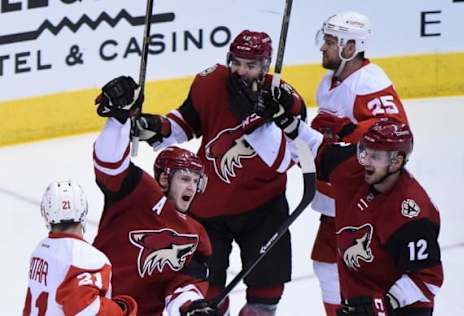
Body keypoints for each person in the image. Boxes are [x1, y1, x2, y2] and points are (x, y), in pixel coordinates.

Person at [100, 30, 307, 315]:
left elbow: (288, 159)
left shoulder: (285, 100)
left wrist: (265, 122)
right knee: (205, 295)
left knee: (265, 296)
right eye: (236, 62)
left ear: (266, 65)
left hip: (264, 210)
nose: (241, 70)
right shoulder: (210, 82)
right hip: (209, 208)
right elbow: (186, 122)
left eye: (251, 65)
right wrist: (155, 126)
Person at [265, 113, 443, 315]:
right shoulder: (352, 168)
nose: (366, 160)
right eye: (364, 151)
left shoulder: (410, 212)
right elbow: (317, 148)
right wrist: (287, 120)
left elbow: (427, 278)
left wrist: (383, 304)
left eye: (375, 156)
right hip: (360, 300)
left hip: (403, 309)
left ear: (396, 161)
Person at [310, 11, 409, 315]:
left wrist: (346, 130)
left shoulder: (369, 82)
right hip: (338, 198)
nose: (323, 48)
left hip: (363, 201)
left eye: (329, 42)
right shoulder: (329, 82)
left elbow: (397, 134)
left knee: (363, 274)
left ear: (350, 47)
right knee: (326, 265)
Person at [92, 83, 217, 316]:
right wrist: (119, 120)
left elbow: (184, 283)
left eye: (195, 181)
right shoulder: (137, 193)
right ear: (163, 179)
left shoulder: (196, 234)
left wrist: (192, 306)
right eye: (184, 178)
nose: (191, 186)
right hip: (99, 307)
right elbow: (108, 165)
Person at [23, 180, 137, 316]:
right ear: (83, 209)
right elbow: (85, 310)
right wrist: (121, 310)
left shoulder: (41, 250)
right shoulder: (87, 258)